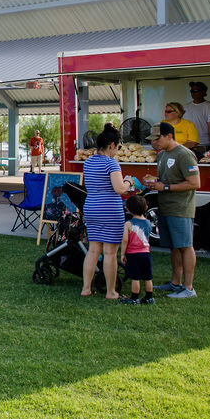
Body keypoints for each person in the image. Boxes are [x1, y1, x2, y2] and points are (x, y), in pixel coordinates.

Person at [143, 122, 201, 299]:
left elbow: (194, 183)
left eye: (157, 138)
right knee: (174, 247)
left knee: (185, 245)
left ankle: (189, 287)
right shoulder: (162, 155)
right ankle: (175, 282)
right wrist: (154, 182)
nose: (154, 143)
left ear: (169, 136)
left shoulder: (184, 154)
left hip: (180, 208)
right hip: (165, 207)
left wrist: (165, 188)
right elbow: (167, 179)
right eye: (152, 139)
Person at [80, 127, 133, 300]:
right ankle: (111, 292)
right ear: (111, 145)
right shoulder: (111, 164)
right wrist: (128, 181)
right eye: (117, 147)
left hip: (91, 207)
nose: (117, 151)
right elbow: (119, 189)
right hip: (110, 209)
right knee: (110, 252)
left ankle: (86, 288)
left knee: (93, 250)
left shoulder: (88, 162)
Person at [119, 194, 155, 305]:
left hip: (133, 254)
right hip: (146, 254)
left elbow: (125, 240)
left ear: (128, 209)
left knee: (135, 277)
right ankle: (149, 297)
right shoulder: (148, 223)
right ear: (146, 208)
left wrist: (122, 254)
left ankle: (134, 298)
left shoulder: (128, 224)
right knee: (148, 277)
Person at [185, 82, 210, 147]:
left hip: (203, 142)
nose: (193, 93)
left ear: (203, 92)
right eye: (191, 91)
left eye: (195, 91)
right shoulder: (186, 106)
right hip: (188, 142)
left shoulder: (208, 106)